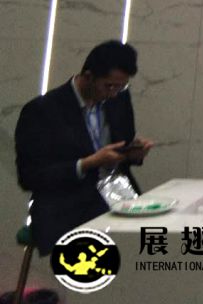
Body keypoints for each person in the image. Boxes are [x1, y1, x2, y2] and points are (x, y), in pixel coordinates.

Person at [15, 40, 154, 254]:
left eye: (121, 86)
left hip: (115, 194)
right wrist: (87, 164)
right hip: (66, 204)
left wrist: (132, 153)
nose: (114, 93)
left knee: (165, 226)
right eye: (109, 86)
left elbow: (122, 144)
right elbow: (29, 176)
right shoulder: (43, 110)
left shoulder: (118, 99)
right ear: (88, 76)